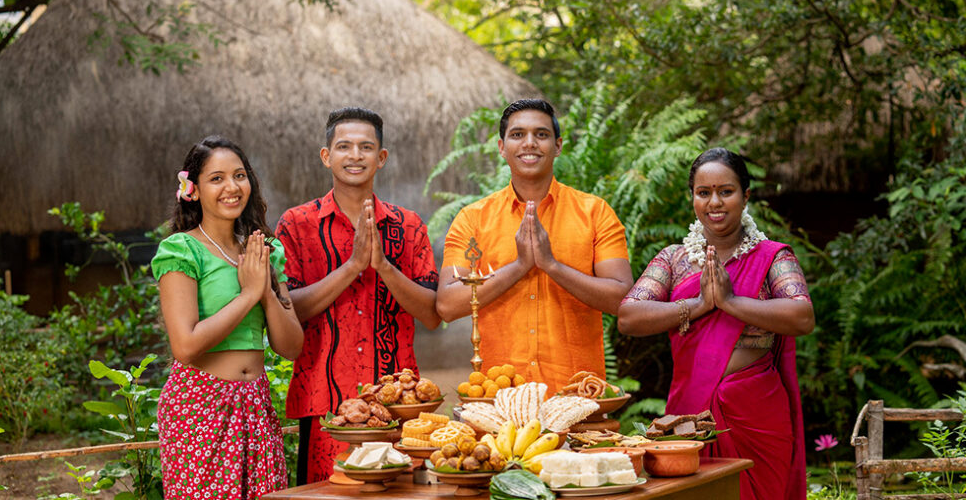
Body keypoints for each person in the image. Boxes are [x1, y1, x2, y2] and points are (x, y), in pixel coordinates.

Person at [618, 147, 815, 500]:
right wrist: (698, 304)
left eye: (726, 191)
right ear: (692, 197)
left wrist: (731, 302)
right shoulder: (674, 259)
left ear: (746, 196)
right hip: (689, 414)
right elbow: (629, 316)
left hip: (757, 413)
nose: (715, 202)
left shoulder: (772, 257)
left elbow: (802, 315)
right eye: (703, 192)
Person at [275, 107, 441, 484]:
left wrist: (383, 266)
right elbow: (290, 311)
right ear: (326, 156)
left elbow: (432, 314)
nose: (355, 156)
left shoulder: (409, 225)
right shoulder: (296, 225)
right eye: (344, 146)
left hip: (399, 404)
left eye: (366, 147)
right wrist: (351, 266)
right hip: (325, 405)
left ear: (381, 158)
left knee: (396, 495)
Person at [436, 99, 633, 393]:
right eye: (518, 135)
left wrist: (551, 265)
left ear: (558, 146)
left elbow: (623, 299)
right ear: (502, 148)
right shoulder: (473, 219)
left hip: (578, 394)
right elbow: (447, 305)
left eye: (541, 134)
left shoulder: (594, 213)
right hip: (499, 395)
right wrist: (519, 267)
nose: (530, 143)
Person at [151, 135, 303, 499]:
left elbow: (291, 346)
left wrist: (264, 290)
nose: (231, 187)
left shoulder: (263, 250)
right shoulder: (182, 249)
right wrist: (248, 293)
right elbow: (185, 346)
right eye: (216, 178)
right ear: (194, 190)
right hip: (200, 405)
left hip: (256, 403)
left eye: (239, 175)